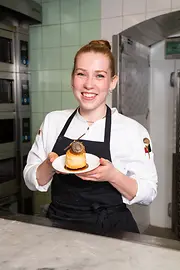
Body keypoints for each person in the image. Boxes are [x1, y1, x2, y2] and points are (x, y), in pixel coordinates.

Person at [23, 40, 158, 235]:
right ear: (72, 79)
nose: (88, 84)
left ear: (112, 82)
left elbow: (149, 193)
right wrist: (50, 165)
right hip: (59, 226)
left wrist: (113, 176)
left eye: (99, 76)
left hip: (111, 230)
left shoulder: (133, 131)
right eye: (81, 74)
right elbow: (30, 178)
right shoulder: (53, 121)